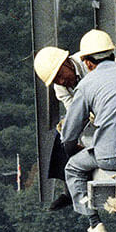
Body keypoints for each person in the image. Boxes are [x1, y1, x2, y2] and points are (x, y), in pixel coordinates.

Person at [60, 29, 116, 232]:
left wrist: (70, 149)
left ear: (87, 62)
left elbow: (69, 134)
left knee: (73, 168)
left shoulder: (86, 85)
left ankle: (94, 222)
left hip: (112, 158)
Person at [33, 46, 89, 210]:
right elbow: (73, 109)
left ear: (67, 63)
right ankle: (69, 191)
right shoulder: (61, 87)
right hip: (87, 113)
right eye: (56, 80)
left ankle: (72, 189)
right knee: (64, 133)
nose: (62, 81)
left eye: (60, 75)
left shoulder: (89, 62)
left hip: (106, 106)